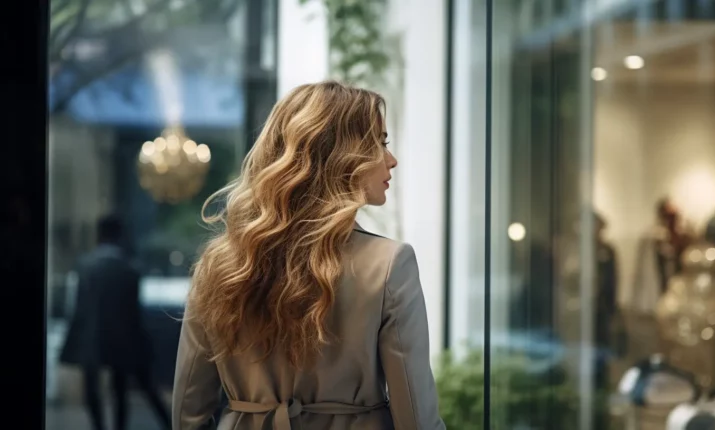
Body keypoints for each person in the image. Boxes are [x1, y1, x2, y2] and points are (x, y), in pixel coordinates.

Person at [172, 81, 445, 430]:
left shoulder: (220, 264)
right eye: (379, 143)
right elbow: (416, 417)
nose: (391, 160)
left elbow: (187, 413)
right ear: (339, 155)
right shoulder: (390, 264)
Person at [60, 215, 171, 430]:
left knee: (91, 386)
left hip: (92, 335)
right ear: (120, 235)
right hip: (122, 336)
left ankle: (98, 426)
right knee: (121, 387)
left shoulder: (86, 267)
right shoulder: (128, 270)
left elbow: (79, 306)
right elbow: (132, 311)